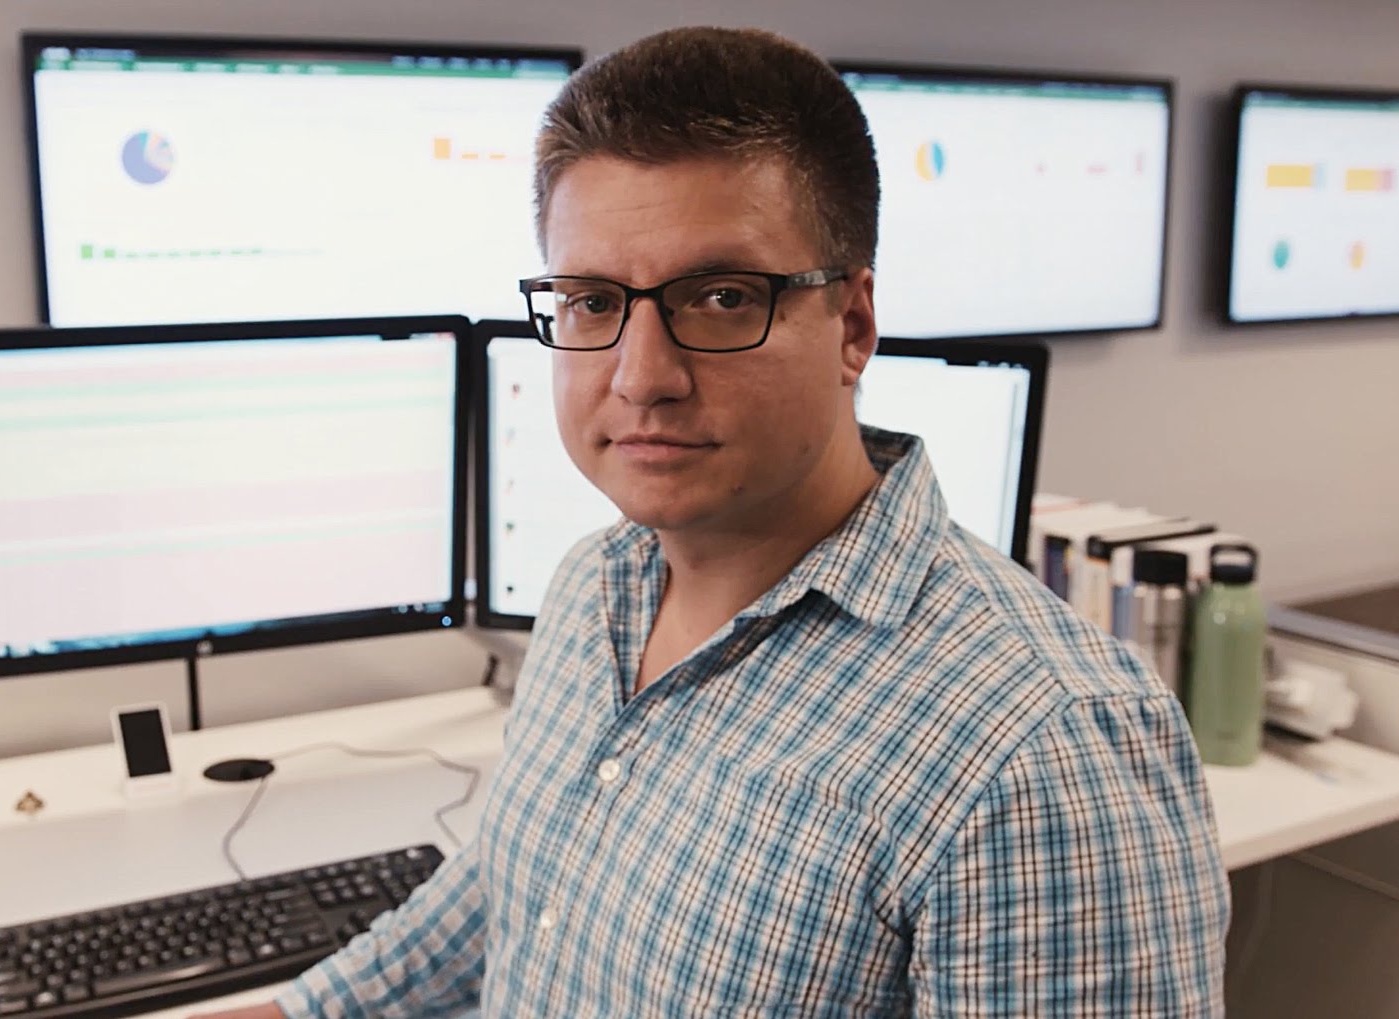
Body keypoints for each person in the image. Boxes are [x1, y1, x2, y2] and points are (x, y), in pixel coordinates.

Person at [201, 25, 1229, 1018]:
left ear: (853, 324)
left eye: (724, 297)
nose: (641, 377)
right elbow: (519, 890)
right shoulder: (595, 584)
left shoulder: (1040, 747)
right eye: (592, 301)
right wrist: (302, 1006)